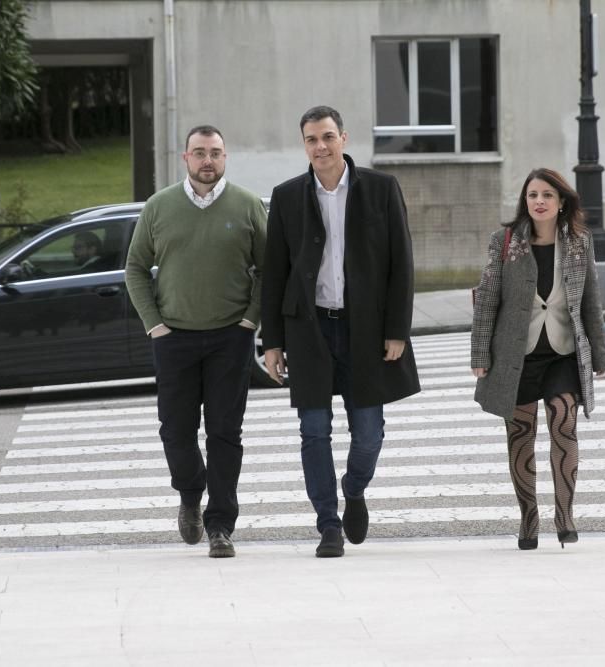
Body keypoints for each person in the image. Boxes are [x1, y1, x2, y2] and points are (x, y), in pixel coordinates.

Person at [261, 106, 420, 558]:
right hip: (310, 330)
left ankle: (353, 488)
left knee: (369, 432)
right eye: (312, 139)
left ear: (344, 139)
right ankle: (328, 524)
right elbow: (273, 274)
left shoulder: (381, 189)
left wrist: (397, 331)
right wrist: (272, 341)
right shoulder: (287, 196)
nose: (321, 147)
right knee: (314, 430)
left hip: (365, 331)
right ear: (304, 145)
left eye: (328, 137)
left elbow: (401, 265)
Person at [125, 125, 267, 558]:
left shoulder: (246, 206)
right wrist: (155, 325)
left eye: (216, 153)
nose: (208, 160)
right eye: (200, 153)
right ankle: (190, 493)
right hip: (174, 338)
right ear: (185, 158)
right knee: (176, 431)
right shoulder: (159, 206)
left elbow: (269, 269)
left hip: (231, 337)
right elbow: (135, 268)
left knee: (225, 432)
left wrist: (249, 322)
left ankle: (220, 525)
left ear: (226, 158)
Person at [470, 167, 605, 551]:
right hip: (517, 354)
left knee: (564, 421)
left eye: (547, 195)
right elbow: (486, 300)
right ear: (525, 201)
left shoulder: (579, 242)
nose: (539, 202)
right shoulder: (506, 242)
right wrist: (480, 353)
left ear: (561, 201)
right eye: (533, 195)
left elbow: (590, 300)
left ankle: (564, 514)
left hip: (562, 353)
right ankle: (528, 515)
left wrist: (599, 353)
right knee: (521, 435)